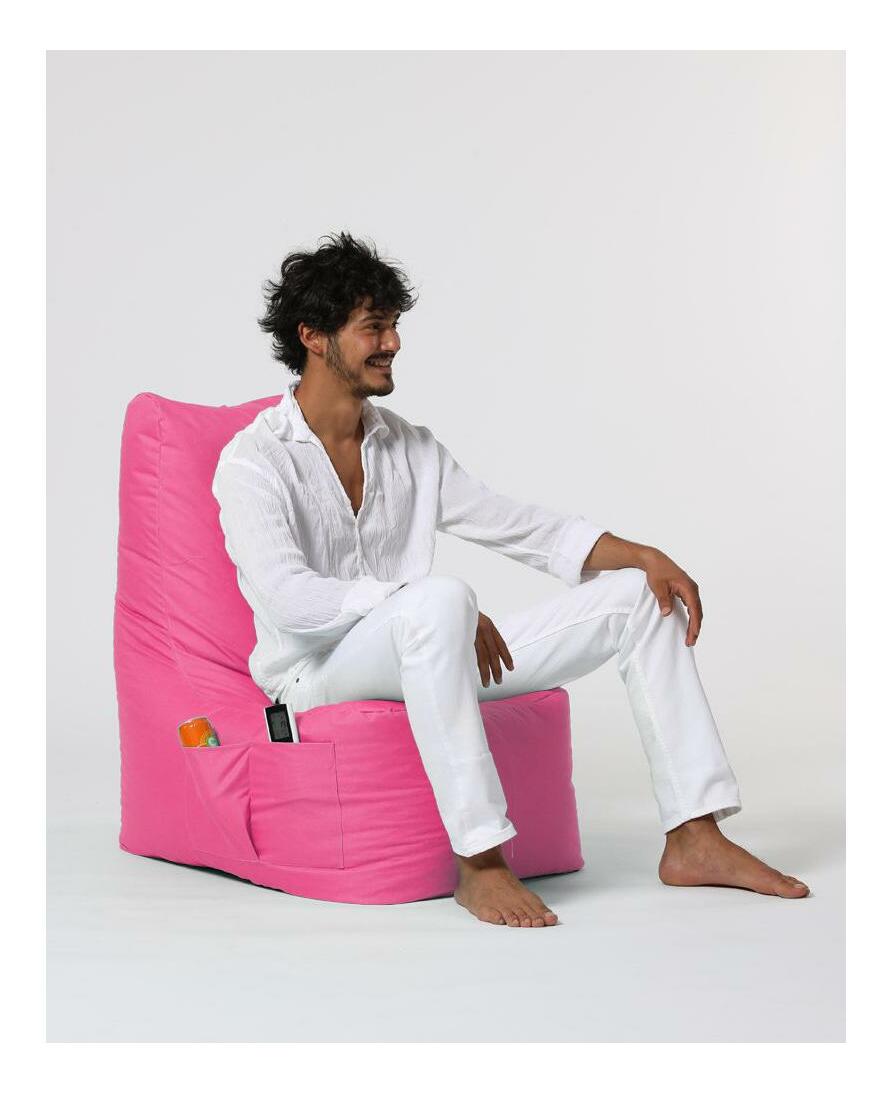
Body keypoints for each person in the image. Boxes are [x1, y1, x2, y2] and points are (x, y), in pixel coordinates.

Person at [212, 230, 810, 928]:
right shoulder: (254, 460)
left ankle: (694, 835)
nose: (393, 342)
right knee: (440, 598)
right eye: (373, 326)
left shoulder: (410, 447)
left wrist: (640, 554)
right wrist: (421, 603)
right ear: (313, 336)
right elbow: (289, 598)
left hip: (430, 646)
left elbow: (519, 525)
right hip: (315, 675)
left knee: (638, 600)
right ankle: (481, 860)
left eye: (395, 325)